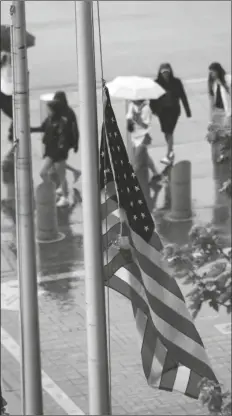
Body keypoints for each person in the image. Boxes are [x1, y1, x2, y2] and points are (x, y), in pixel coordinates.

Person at [31, 99, 71, 207]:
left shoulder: (61, 122)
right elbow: (42, 128)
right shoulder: (49, 120)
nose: (47, 111)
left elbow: (63, 138)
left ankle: (65, 198)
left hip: (57, 153)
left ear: (54, 110)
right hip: (50, 151)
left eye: (49, 109)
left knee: (60, 175)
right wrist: (29, 129)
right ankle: (56, 189)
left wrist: (61, 148)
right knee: (47, 173)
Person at [150, 63, 192, 165]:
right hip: (162, 111)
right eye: (164, 72)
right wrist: (153, 110)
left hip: (174, 111)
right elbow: (152, 98)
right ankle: (170, 150)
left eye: (167, 72)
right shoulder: (156, 83)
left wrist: (187, 110)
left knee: (169, 131)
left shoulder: (176, 82)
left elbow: (183, 95)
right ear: (160, 73)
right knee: (166, 132)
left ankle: (169, 153)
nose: (166, 74)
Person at [126, 99, 161, 208]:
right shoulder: (131, 105)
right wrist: (130, 122)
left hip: (143, 137)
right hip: (135, 136)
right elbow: (128, 117)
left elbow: (146, 126)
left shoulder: (146, 109)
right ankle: (156, 173)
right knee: (145, 157)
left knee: (136, 163)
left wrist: (137, 120)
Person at [52, 91, 80, 185]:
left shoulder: (68, 112)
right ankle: (75, 172)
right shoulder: (60, 111)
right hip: (60, 142)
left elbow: (75, 128)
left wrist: (76, 143)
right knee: (58, 163)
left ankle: (62, 188)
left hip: (65, 143)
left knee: (58, 164)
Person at [208, 62, 231, 128]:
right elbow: (211, 103)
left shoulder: (228, 79)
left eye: (213, 72)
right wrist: (210, 120)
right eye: (210, 72)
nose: (211, 74)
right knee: (217, 135)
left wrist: (221, 84)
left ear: (218, 71)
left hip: (228, 112)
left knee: (226, 134)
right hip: (217, 112)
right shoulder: (213, 83)